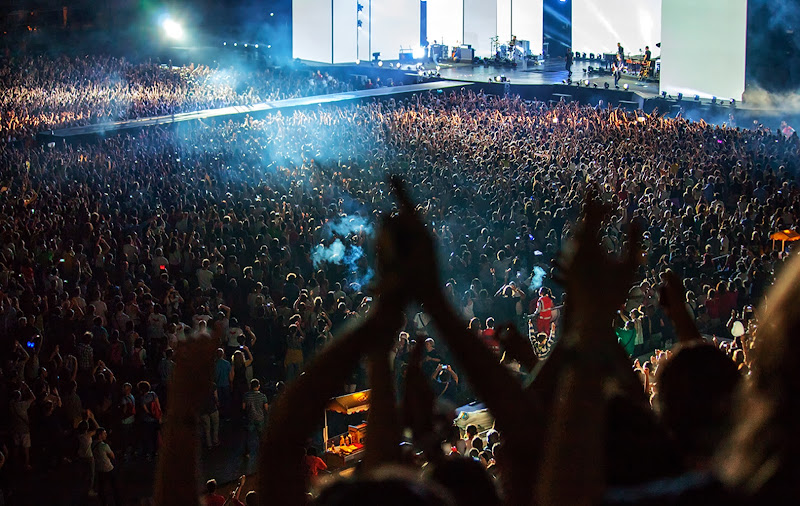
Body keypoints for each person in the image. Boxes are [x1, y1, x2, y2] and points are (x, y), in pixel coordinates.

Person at [93, 427, 121, 506]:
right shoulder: (104, 446)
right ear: (100, 435)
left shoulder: (92, 444)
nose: (106, 435)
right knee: (114, 486)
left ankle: (104, 503)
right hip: (108, 469)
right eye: (104, 433)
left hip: (99, 469)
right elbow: (112, 456)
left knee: (101, 488)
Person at [242, 378, 269, 459]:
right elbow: (266, 408)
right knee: (260, 435)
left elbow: (243, 407)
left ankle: (247, 453)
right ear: (259, 386)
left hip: (250, 418)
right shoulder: (263, 396)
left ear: (250, 386)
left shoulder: (246, 396)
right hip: (260, 418)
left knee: (249, 436)